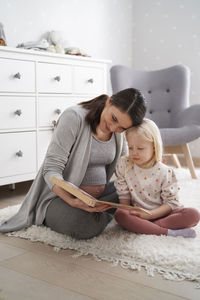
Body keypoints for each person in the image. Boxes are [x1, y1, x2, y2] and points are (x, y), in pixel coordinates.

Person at [0, 88, 146, 239]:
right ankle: (105, 216)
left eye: (122, 128)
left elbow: (123, 169)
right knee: (83, 226)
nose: (115, 128)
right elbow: (51, 170)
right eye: (114, 119)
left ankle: (104, 213)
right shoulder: (73, 117)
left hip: (97, 199)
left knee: (141, 194)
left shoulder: (117, 132)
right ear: (109, 101)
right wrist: (73, 200)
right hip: (60, 198)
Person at [114, 119, 200, 238]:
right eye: (131, 147)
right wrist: (127, 212)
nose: (134, 153)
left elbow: (171, 203)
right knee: (120, 214)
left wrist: (150, 215)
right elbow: (124, 196)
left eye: (140, 148)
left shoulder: (165, 171)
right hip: (139, 214)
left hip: (164, 214)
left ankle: (149, 227)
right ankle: (169, 232)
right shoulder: (124, 164)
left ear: (154, 146)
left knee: (193, 214)